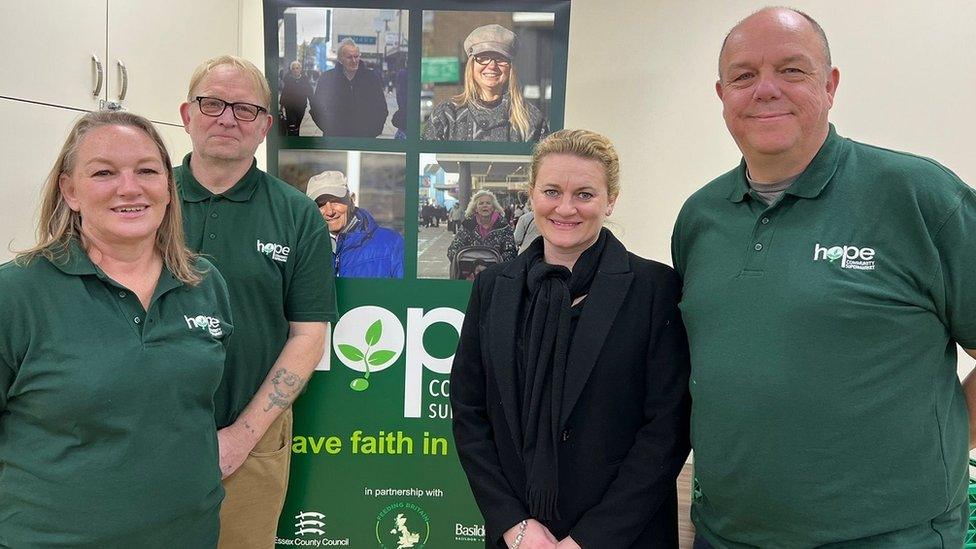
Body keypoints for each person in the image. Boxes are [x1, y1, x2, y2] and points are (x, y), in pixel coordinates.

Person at [671, 8, 976, 548]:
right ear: (721, 95)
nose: (765, 90)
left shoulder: (921, 197)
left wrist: (943, 444)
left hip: (894, 537)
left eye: (792, 70)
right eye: (743, 76)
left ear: (830, 85)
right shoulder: (700, 218)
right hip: (727, 536)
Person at [0, 110, 233, 547]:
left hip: (189, 534)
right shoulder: (16, 294)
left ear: (168, 186)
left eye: (147, 170)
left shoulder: (203, 283)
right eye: (104, 172)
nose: (130, 188)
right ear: (69, 190)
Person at [452, 129, 691, 548]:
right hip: (520, 537)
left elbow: (667, 429)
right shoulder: (493, 287)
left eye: (584, 194)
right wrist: (514, 524)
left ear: (610, 200)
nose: (565, 208)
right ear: (531, 195)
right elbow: (470, 411)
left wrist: (589, 540)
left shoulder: (654, 288)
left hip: (623, 535)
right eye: (551, 191)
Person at [176, 55, 338, 549]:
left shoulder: (296, 215)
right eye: (212, 103)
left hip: (249, 439)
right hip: (143, 433)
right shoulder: (144, 199)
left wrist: (241, 438)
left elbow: (309, 336)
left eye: (245, 109)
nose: (227, 118)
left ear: (266, 126)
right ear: (187, 114)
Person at [423, 24, 548, 142]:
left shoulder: (531, 119)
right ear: (471, 65)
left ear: (511, 67)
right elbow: (426, 161)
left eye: (500, 58)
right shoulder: (446, 115)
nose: (492, 65)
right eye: (483, 58)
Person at [306, 170, 404, 278]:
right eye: (320, 204)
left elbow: (406, 292)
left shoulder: (391, 243)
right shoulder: (303, 249)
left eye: (335, 201)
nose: (330, 212)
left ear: (352, 200)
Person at [308, 38, 388, 138]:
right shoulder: (327, 79)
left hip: (365, 139)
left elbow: (381, 108)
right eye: (349, 57)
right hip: (335, 139)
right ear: (340, 60)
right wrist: (329, 129)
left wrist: (373, 131)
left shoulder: (371, 78)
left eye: (356, 56)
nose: (354, 61)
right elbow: (316, 108)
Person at [447, 189, 517, 263]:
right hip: (470, 271)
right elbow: (452, 250)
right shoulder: (467, 225)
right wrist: (470, 263)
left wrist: (490, 265)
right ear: (475, 208)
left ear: (493, 208)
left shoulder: (504, 227)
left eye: (488, 203)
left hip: (496, 271)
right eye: (481, 203)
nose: (485, 205)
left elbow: (511, 252)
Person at [279, 60, 312, 136]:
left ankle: (296, 136)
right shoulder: (288, 81)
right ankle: (291, 139)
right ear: (291, 70)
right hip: (290, 107)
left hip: (301, 107)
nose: (295, 70)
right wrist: (281, 106)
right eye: (293, 69)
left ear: (300, 69)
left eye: (297, 68)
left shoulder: (305, 80)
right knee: (291, 126)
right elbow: (284, 93)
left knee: (297, 125)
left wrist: (313, 104)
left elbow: (310, 93)